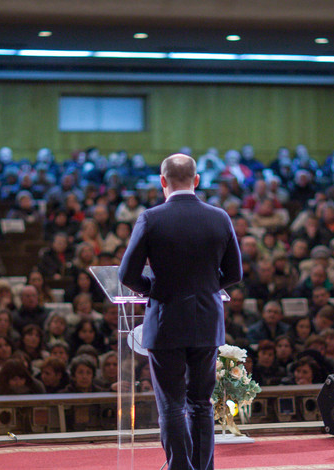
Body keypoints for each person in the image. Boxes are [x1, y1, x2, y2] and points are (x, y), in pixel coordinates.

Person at [118, 154, 242, 470]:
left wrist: (154, 289)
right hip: (206, 322)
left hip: (166, 322)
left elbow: (126, 276)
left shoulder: (151, 218)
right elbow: (234, 273)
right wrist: (206, 286)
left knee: (172, 406)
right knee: (201, 404)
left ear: (163, 181)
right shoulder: (219, 217)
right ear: (196, 180)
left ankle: (179, 468)